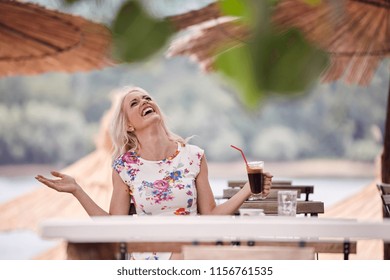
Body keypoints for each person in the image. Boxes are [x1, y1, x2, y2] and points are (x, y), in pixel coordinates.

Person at [35, 86, 272, 260]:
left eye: (146, 98)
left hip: (190, 250)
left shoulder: (194, 156)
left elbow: (210, 214)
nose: (144, 101)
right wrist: (77, 191)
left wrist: (248, 190)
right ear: (129, 125)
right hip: (147, 255)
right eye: (134, 103)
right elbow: (113, 226)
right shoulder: (124, 166)